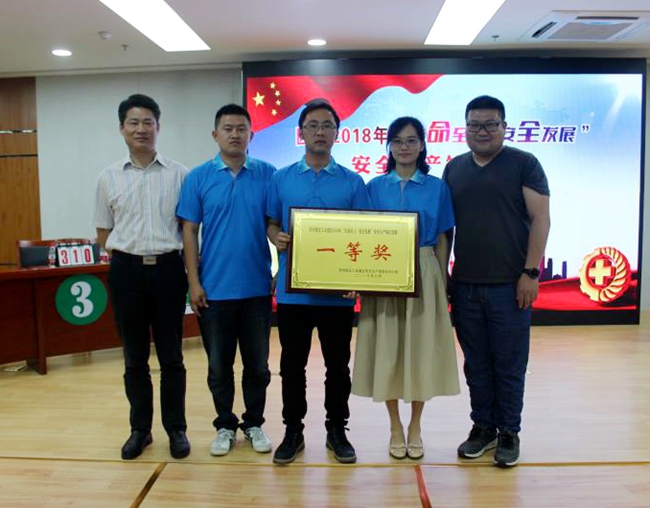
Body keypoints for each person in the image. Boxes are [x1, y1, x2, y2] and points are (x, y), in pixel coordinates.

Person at [442, 95, 550, 468]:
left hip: (510, 286)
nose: (482, 131)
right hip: (465, 285)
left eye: (490, 124)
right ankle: (483, 428)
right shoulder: (454, 168)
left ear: (504, 127)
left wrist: (531, 273)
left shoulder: (524, 164)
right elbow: (447, 228)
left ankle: (509, 433)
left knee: (509, 364)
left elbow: (541, 219)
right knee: (476, 365)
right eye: (475, 124)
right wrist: (443, 275)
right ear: (466, 128)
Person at [266, 99, 370, 465]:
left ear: (337, 132)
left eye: (327, 125)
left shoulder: (352, 182)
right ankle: (292, 431)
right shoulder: (280, 179)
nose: (320, 132)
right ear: (302, 133)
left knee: (337, 368)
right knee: (291, 368)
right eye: (313, 125)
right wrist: (276, 236)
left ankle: (336, 431)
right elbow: (271, 222)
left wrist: (356, 279)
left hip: (337, 295)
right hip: (292, 293)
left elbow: (364, 234)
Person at [352, 117, 460, 460]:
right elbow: (362, 234)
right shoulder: (374, 187)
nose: (404, 147)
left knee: (418, 350)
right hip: (383, 272)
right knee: (387, 349)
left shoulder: (436, 187)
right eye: (397, 141)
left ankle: (415, 426)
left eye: (411, 140)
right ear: (389, 146)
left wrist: (441, 278)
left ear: (422, 145)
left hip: (424, 269)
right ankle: (394, 426)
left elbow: (442, 237)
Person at [93, 93, 190, 460]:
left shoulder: (179, 174)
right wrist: (129, 258)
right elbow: (104, 232)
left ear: (158, 127)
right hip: (126, 272)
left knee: (172, 357)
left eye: (148, 122)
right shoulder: (108, 177)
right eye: (133, 122)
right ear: (122, 128)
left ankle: (176, 429)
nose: (141, 129)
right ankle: (140, 430)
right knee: (134, 357)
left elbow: (188, 228)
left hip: (168, 270)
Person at [176, 104, 275, 457]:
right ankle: (225, 425)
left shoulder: (268, 174)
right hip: (213, 292)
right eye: (228, 128)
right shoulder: (198, 177)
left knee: (258, 367)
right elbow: (189, 230)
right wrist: (193, 282)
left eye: (241, 128)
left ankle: (254, 423)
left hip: (256, 289)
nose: (235, 134)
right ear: (215, 134)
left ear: (252, 135)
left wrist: (282, 267)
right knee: (219, 367)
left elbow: (274, 224)